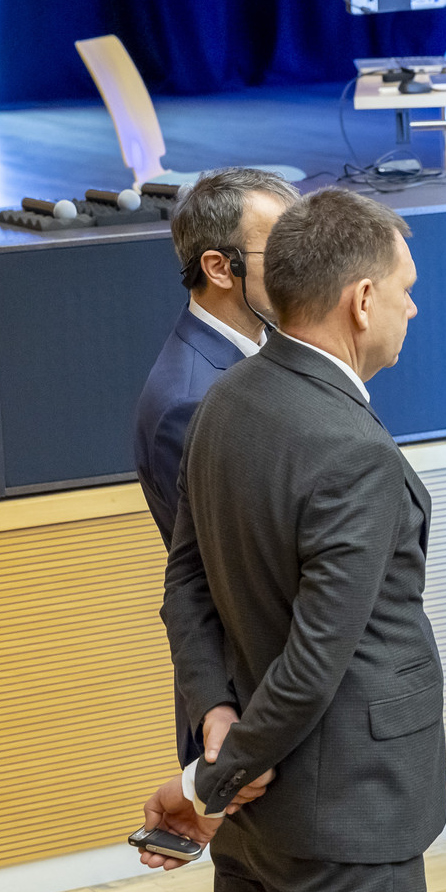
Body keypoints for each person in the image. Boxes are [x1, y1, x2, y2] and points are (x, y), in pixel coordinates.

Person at [136, 188, 445, 892]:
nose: (413, 307)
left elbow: (184, 586)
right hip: (346, 819)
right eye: (406, 289)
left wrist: (214, 721)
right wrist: (213, 778)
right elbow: (315, 662)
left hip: (259, 814)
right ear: (362, 300)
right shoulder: (354, 451)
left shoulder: (225, 397)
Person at [133, 168, 299, 769]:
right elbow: (231, 575)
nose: (305, 266)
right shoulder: (193, 400)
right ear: (219, 268)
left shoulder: (261, 350)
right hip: (248, 703)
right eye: (283, 251)